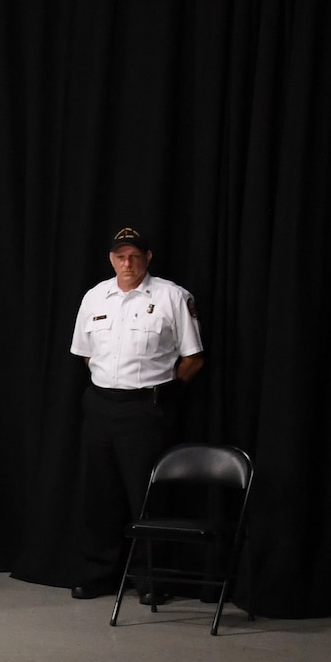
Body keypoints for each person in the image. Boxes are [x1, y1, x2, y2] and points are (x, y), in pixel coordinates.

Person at [67, 226, 205, 600]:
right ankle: (99, 574)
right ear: (111, 258)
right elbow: (84, 353)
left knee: (146, 496)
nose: (127, 263)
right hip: (100, 405)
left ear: (148, 257)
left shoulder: (172, 297)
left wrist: (167, 393)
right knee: (98, 494)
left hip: (145, 409)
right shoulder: (95, 297)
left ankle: (151, 579)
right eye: (120, 256)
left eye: (134, 256)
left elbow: (193, 357)